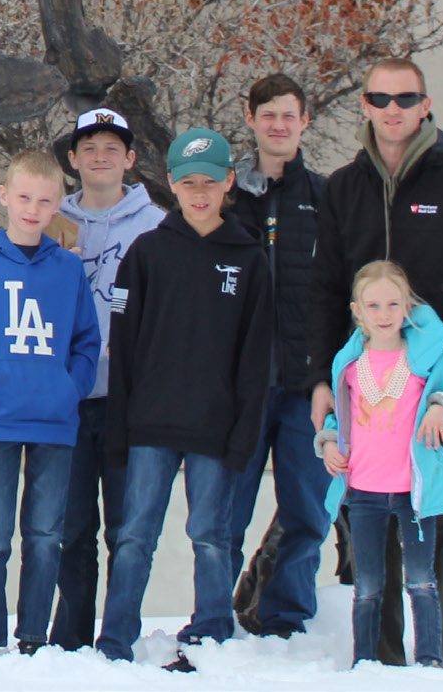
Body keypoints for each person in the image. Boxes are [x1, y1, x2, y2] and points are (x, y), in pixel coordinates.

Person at [307, 56, 443, 667]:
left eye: (406, 98)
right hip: (367, 389)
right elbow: (321, 287)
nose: (393, 110)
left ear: (426, 105)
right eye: (380, 99)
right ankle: (382, 658)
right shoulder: (342, 187)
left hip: (442, 389)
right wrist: (320, 378)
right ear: (364, 105)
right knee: (372, 517)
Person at [95, 128, 272, 670]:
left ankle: (214, 631)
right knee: (133, 536)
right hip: (150, 423)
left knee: (211, 536)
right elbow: (122, 348)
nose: (199, 193)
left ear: (229, 184)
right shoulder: (148, 252)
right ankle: (116, 639)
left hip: (214, 429)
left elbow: (255, 358)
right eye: (189, 182)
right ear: (171, 182)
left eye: (210, 183)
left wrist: (244, 434)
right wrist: (119, 424)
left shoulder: (248, 257)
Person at [0, 150, 99, 666]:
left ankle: (34, 636)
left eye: (46, 200)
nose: (34, 209)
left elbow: (85, 341)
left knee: (45, 534)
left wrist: (67, 387)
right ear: (5, 197)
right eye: (25, 197)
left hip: (55, 420)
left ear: (59, 204)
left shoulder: (67, 269)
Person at [317, 260, 443, 668]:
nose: (383, 314)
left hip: (413, 493)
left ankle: (428, 663)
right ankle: (364, 663)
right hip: (364, 491)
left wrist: (440, 408)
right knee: (367, 586)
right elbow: (339, 418)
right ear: (357, 311)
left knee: (421, 581)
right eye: (373, 306)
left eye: (392, 304)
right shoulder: (348, 366)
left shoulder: (424, 359)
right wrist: (329, 442)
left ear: (408, 308)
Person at [220, 75, 332, 639]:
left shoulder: (325, 196)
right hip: (241, 386)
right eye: (269, 115)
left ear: (304, 121)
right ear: (251, 117)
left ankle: (286, 618)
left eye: (290, 116)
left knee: (306, 512)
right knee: (226, 514)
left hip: (307, 386)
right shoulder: (226, 197)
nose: (279, 125)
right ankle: (216, 615)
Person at [49, 109, 164, 649]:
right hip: (68, 398)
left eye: (112, 148)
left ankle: (118, 638)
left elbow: (170, 309)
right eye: (89, 146)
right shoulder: (52, 221)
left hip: (129, 398)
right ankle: (70, 641)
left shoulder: (157, 224)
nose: (101, 156)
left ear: (130, 159)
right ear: (72, 159)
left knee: (125, 529)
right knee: (71, 531)